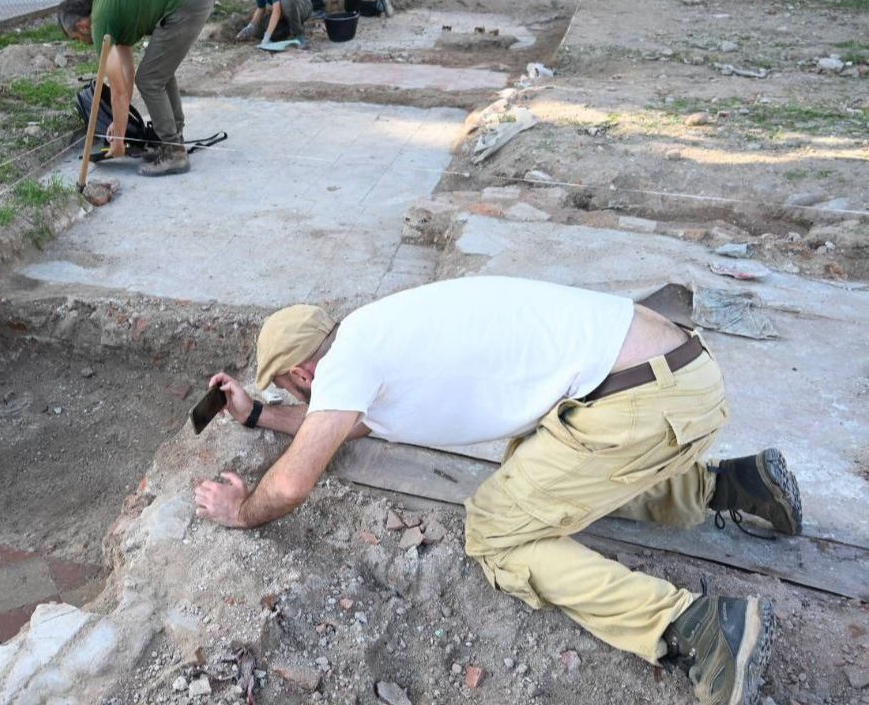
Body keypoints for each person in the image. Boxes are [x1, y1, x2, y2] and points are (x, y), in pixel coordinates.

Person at [194, 276, 801, 705]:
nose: (300, 397)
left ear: (303, 373)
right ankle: (733, 487)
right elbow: (341, 426)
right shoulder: (368, 336)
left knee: (496, 531)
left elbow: (298, 477)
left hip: (646, 401)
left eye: (291, 390)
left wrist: (241, 511)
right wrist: (257, 417)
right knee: (529, 471)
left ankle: (697, 628)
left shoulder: (347, 363)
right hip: (669, 377)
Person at [58, 0, 214, 177]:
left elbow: (118, 91)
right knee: (159, 73)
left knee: (150, 79)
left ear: (81, 25)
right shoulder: (110, 9)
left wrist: (118, 139)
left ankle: (174, 153)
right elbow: (126, 73)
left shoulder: (99, 23)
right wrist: (118, 122)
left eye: (77, 38)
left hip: (186, 0)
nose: (82, 42)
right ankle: (173, 141)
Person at [236, 0, 313, 47]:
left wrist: (266, 37)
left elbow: (277, 11)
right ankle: (287, 30)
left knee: (286, 2)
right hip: (285, 13)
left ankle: (299, 35)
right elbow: (261, 8)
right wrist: (250, 27)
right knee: (263, 27)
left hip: (303, 6)